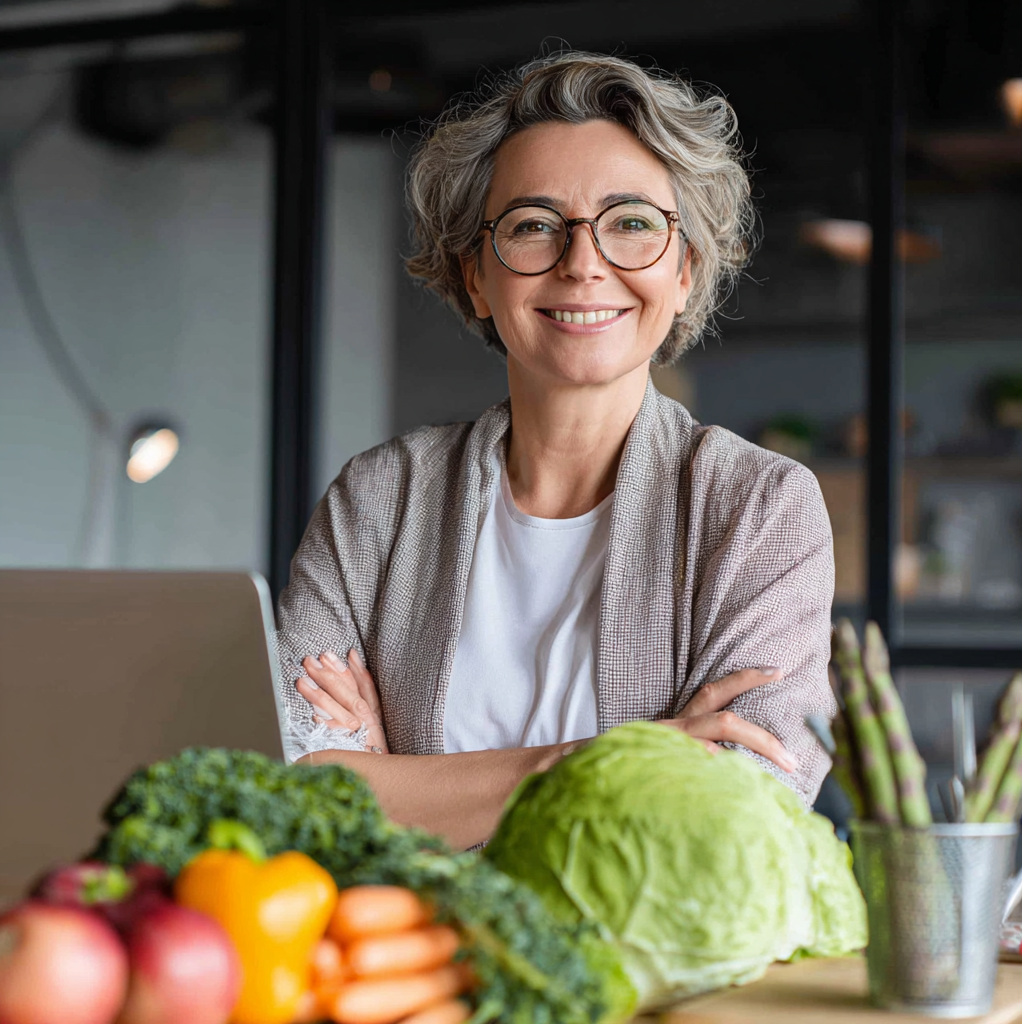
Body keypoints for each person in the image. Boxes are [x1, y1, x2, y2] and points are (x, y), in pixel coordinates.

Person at [275, 51, 836, 850]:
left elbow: (745, 809)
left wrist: (386, 776)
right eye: (534, 225)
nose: (582, 264)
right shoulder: (381, 496)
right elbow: (289, 784)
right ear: (475, 276)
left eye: (632, 224)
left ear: (685, 271)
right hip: (396, 960)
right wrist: (623, 759)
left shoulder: (758, 505)